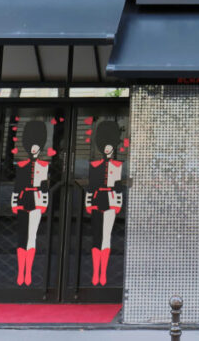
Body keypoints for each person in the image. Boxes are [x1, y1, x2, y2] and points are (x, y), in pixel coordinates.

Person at [11, 121, 50, 286]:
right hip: (23, 201)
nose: (34, 149)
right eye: (31, 146)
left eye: (36, 146)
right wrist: (15, 203)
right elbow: (17, 186)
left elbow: (44, 187)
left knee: (32, 237)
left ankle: (28, 272)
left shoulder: (44, 166)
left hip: (36, 201)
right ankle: (21, 272)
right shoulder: (21, 166)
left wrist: (43, 204)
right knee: (22, 237)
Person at [85, 120, 123, 286]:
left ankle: (103, 273)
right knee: (96, 237)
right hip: (97, 201)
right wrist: (88, 202)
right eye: (105, 144)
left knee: (106, 237)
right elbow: (91, 186)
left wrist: (117, 204)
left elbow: (118, 187)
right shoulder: (94, 165)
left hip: (110, 201)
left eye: (110, 144)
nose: (107, 147)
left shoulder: (117, 165)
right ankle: (95, 272)